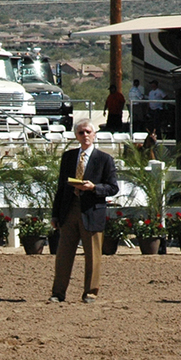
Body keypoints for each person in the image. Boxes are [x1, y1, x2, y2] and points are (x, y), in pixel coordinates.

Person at [49, 119, 120, 303]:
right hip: (69, 211)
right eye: (81, 133)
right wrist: (55, 215)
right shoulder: (68, 157)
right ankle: (58, 293)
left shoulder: (105, 159)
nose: (85, 135)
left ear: (94, 134)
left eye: (88, 131)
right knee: (63, 256)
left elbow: (113, 188)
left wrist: (94, 188)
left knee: (93, 257)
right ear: (76, 136)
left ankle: (90, 293)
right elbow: (60, 188)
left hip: (92, 211)